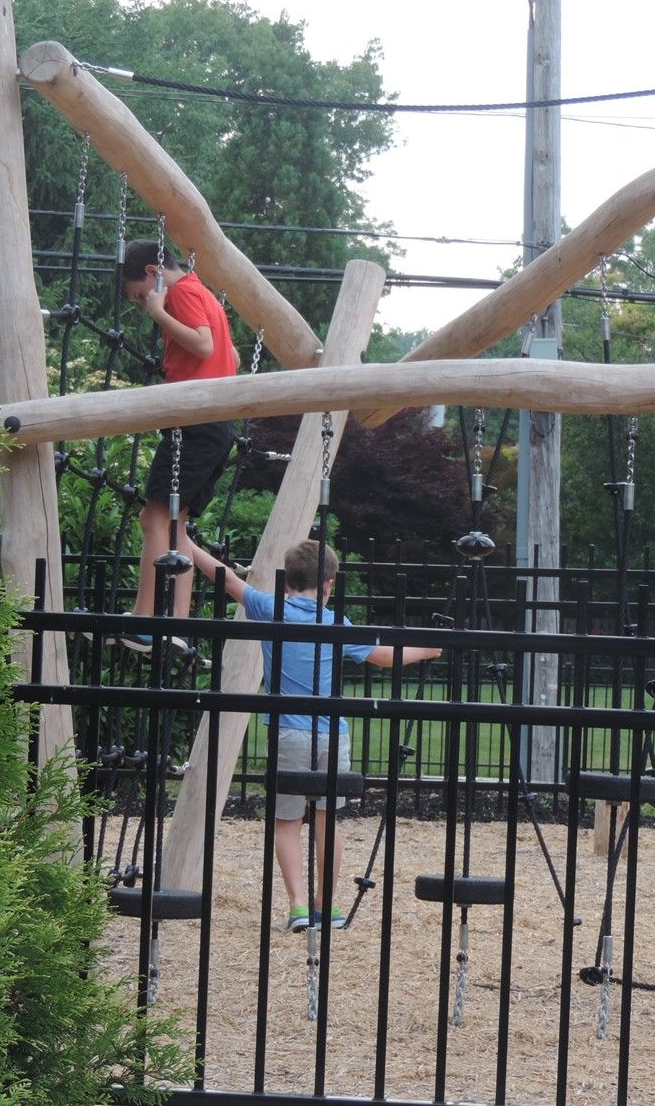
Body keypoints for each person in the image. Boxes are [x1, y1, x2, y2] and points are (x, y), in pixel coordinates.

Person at [189, 538, 442, 932]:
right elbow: (384, 657)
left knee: (287, 821)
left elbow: (226, 579)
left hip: (287, 732)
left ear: (287, 579)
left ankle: (298, 906)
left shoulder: (270, 609)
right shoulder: (336, 623)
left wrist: (187, 543)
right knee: (328, 820)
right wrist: (429, 649)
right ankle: (328, 905)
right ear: (328, 584)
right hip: (330, 734)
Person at [118, 240, 238, 655]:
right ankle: (176, 627)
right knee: (174, 523)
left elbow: (203, 346)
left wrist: (158, 311)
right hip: (216, 424)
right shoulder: (204, 293)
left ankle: (146, 622)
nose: (143, 304)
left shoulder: (182, 292)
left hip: (196, 422)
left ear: (153, 273)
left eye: (140, 295)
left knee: (154, 519)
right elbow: (231, 356)